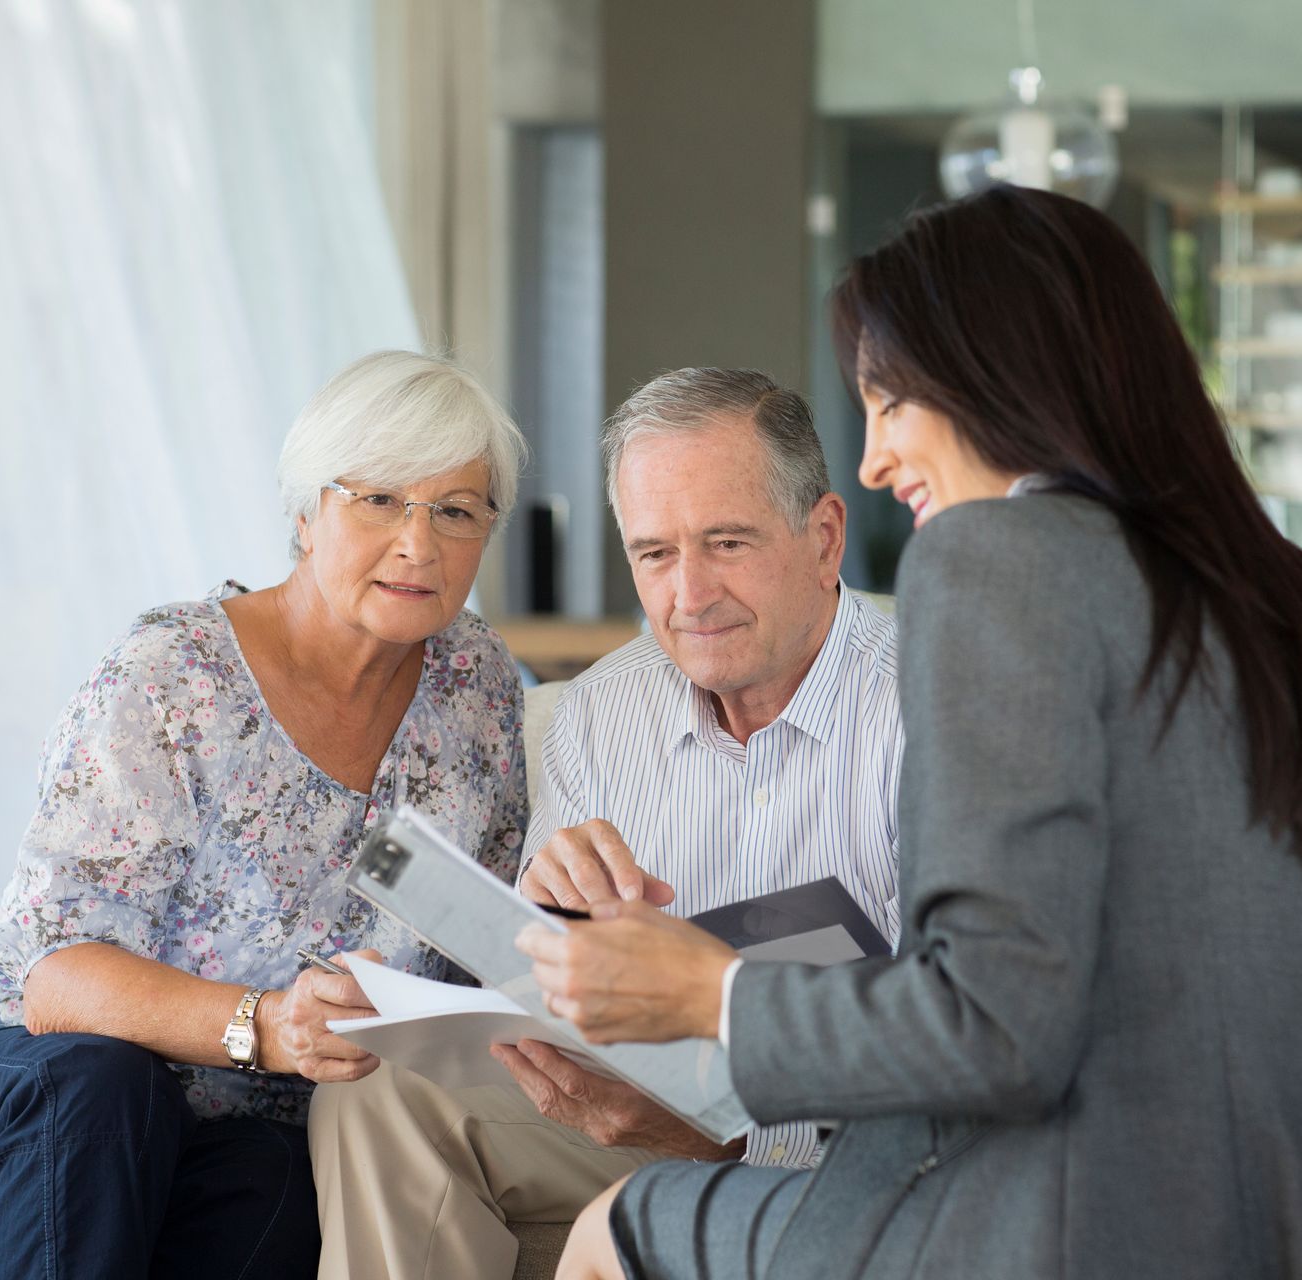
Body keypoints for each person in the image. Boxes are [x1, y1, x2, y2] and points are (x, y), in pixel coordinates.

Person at [524, 186, 1302, 1279]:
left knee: (611, 1228)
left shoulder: (999, 560)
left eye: (889, 401)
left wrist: (702, 991)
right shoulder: (1294, 599)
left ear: (992, 376)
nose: (871, 459)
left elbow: (998, 1024)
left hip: (1099, 1225)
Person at [0, 350, 531, 1279]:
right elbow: (58, 980)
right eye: (377, 499)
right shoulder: (172, 676)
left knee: (282, 1185)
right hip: (8, 1075)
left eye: (455, 511)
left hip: (228, 1126)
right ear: (304, 514)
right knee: (103, 1090)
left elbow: (483, 948)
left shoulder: (481, 693)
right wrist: (268, 1025)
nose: (419, 543)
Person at [307, 367, 903, 1280]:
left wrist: (736, 1142)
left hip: (866, 1144)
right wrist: (549, 931)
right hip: (645, 1106)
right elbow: (555, 988)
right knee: (377, 1090)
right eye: (655, 554)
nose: (689, 595)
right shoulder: (596, 713)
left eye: (728, 543)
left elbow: (965, 1043)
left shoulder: (935, 710)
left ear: (824, 537)